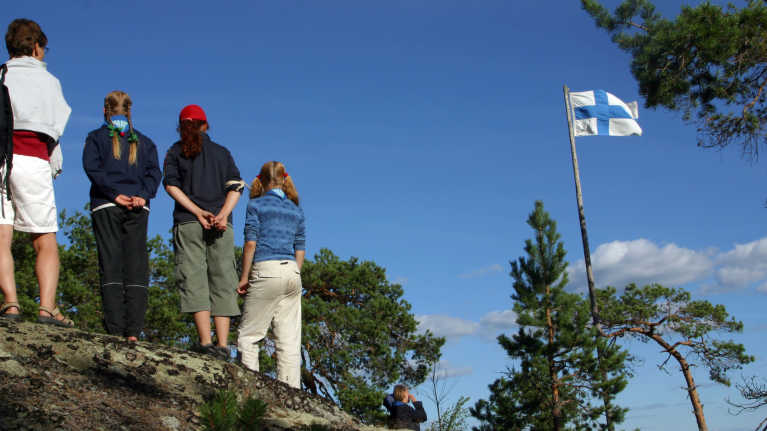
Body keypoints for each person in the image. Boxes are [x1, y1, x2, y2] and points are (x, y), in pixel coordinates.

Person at [0, 19, 72, 326]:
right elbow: (57, 126)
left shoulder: (1, 74)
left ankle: (11, 304)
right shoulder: (49, 82)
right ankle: (47, 308)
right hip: (32, 158)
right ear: (36, 47)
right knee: (44, 239)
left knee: (2, 236)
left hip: (1, 160)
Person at [163, 104, 243, 359]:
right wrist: (222, 214)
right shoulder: (222, 153)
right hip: (221, 224)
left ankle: (205, 342)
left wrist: (197, 212)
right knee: (223, 279)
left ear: (181, 126)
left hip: (189, 222)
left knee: (194, 277)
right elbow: (236, 187)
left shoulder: (176, 151)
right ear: (205, 125)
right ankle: (223, 345)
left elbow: (171, 187)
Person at [82, 90, 161, 342]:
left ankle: (115, 330)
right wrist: (143, 195)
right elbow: (154, 173)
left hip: (106, 204)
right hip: (138, 206)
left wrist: (113, 194)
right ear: (129, 112)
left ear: (104, 110)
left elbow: (92, 168)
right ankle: (133, 332)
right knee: (136, 265)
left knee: (111, 263)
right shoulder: (145, 142)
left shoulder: (95, 138)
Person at [237, 161, 305, 388]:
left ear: (262, 179)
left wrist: (244, 276)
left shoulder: (256, 205)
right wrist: (294, 272)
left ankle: (250, 391)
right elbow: (300, 246)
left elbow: (250, 243)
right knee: (288, 341)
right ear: (284, 179)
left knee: (249, 336)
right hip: (292, 271)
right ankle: (291, 394)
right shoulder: (296, 209)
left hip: (266, 268)